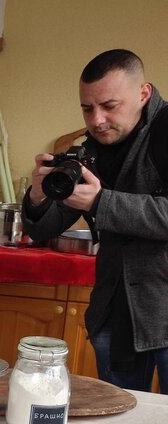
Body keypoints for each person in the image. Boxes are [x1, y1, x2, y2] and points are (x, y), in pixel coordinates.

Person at [22, 49, 168, 394]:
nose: (97, 120)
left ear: (143, 93)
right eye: (87, 108)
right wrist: (39, 196)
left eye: (109, 106)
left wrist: (102, 202)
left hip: (162, 312)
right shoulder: (91, 150)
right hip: (113, 312)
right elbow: (43, 228)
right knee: (116, 419)